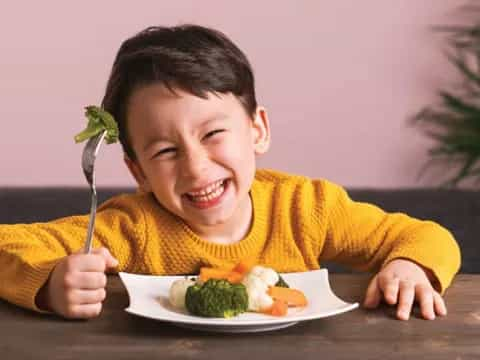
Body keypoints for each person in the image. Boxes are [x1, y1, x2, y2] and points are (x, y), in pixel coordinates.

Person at [0, 24, 461, 321]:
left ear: (257, 129)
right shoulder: (130, 231)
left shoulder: (306, 207)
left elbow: (426, 236)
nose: (196, 167)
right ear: (136, 170)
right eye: (165, 151)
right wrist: (47, 284)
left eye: (213, 134)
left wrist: (409, 266)